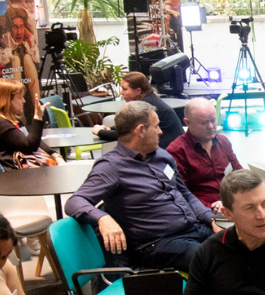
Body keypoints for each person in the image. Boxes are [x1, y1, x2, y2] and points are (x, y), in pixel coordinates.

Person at [65, 101, 218, 272]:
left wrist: (211, 219)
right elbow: (75, 201)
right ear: (141, 131)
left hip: (193, 228)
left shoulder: (162, 155)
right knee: (211, 259)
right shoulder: (112, 166)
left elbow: (185, 194)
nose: (161, 131)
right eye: (156, 126)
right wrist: (102, 218)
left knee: (243, 242)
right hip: (159, 243)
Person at [165, 98, 242, 210]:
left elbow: (239, 173)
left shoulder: (223, 141)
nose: (211, 126)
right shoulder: (176, 151)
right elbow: (181, 193)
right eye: (204, 122)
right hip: (203, 212)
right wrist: (213, 206)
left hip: (232, 205)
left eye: (213, 120)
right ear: (187, 122)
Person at [0, 77, 54, 168]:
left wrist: (54, 154)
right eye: (20, 98)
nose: (23, 101)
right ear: (7, 101)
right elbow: (29, 146)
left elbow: (31, 139)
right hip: (3, 176)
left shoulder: (10, 120)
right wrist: (37, 118)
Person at [92, 72, 186, 149]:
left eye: (125, 89)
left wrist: (100, 132)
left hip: (170, 153)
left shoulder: (146, 107)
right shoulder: (149, 99)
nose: (121, 92)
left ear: (138, 91)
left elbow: (128, 134)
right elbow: (128, 126)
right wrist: (109, 129)